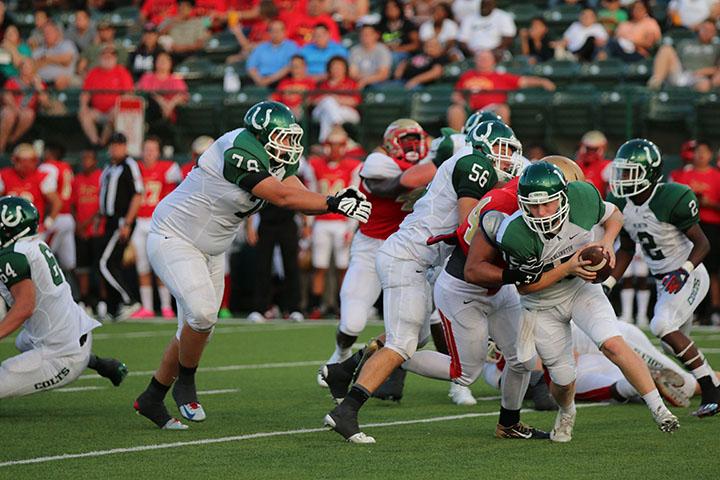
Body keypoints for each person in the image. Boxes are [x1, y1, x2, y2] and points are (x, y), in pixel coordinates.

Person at [133, 100, 371, 429]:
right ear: (261, 135)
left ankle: (152, 396)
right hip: (174, 236)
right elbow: (282, 197)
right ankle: (185, 382)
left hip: (212, 249)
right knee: (201, 316)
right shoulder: (237, 149)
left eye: (291, 138)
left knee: (197, 327)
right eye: (282, 137)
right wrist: (331, 202)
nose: (289, 145)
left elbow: (296, 192)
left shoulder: (273, 156)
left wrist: (337, 201)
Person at [323, 120, 520, 443]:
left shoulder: (470, 164)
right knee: (402, 343)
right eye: (503, 148)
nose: (508, 156)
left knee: (415, 340)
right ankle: (346, 411)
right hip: (408, 259)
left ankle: (344, 370)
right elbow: (470, 227)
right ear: (483, 145)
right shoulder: (473, 163)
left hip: (420, 261)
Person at [491, 160, 679, 441]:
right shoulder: (515, 233)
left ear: (565, 197)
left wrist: (607, 242)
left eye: (548, 204)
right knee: (564, 380)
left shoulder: (582, 198)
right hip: (541, 303)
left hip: (581, 288)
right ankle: (567, 411)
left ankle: (660, 410)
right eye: (533, 206)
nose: (540, 213)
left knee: (613, 343)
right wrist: (566, 267)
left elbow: (614, 215)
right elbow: (526, 289)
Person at [605, 138, 720, 418]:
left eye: (631, 172)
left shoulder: (671, 198)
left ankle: (711, 390)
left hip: (687, 273)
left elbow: (702, 243)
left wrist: (685, 270)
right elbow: (628, 249)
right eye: (622, 171)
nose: (623, 179)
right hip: (663, 281)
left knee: (661, 324)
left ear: (650, 173)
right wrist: (608, 283)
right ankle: (708, 380)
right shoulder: (623, 203)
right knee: (671, 344)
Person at [0, 196, 128, 400]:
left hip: (62, 357)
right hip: (75, 332)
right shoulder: (32, 244)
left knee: (7, 370)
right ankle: (96, 362)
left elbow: (25, 307)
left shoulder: (14, 256)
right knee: (24, 341)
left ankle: (83, 361)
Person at [305, 128, 361, 318]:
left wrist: (351, 227)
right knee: (319, 266)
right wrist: (308, 225)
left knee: (342, 267)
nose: (334, 149)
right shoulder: (315, 165)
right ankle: (316, 306)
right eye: (330, 144)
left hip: (341, 222)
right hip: (321, 221)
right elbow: (310, 193)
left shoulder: (352, 167)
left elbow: (355, 197)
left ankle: (341, 305)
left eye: (338, 145)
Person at [130, 137, 182, 319]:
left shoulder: (168, 168)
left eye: (153, 149)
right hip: (139, 221)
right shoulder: (134, 168)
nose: (149, 153)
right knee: (142, 266)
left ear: (159, 152)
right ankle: (147, 307)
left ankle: (166, 306)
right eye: (146, 149)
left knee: (161, 264)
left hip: (157, 222)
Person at [670, 140, 720, 326]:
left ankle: (713, 311)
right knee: (688, 267)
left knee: (712, 270)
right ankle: (691, 311)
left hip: (712, 226)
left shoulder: (716, 176)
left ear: (710, 155)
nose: (700, 156)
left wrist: (709, 203)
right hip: (688, 226)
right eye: (697, 152)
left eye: (704, 152)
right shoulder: (683, 175)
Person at [447, 50, 555, 131]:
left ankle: (501, 140)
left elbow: (523, 81)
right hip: (470, 110)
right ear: (475, 60)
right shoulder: (467, 76)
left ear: (493, 61)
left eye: (486, 59)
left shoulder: (501, 76)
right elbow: (456, 94)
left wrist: (543, 82)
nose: (483, 61)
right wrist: (461, 102)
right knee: (454, 110)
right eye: (480, 58)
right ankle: (458, 142)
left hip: (493, 109)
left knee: (503, 110)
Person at [98, 133, 144, 320]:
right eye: (112, 145)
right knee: (112, 264)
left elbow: (137, 194)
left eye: (118, 145)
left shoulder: (129, 166)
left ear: (125, 147)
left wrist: (127, 222)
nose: (114, 149)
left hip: (120, 221)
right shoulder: (109, 167)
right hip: (108, 220)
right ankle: (113, 306)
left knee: (104, 263)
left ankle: (129, 300)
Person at [71, 149, 107, 316]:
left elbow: (103, 204)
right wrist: (78, 225)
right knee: (82, 269)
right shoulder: (76, 179)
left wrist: (86, 224)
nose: (85, 161)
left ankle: (103, 301)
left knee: (100, 267)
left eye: (88, 158)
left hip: (97, 229)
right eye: (83, 158)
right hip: (81, 231)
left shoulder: (101, 177)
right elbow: (72, 204)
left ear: (95, 160)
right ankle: (84, 300)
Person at [78, 45, 134, 148]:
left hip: (114, 109)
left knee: (114, 113)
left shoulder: (121, 71)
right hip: (97, 111)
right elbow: (85, 93)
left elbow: (128, 94)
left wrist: (118, 105)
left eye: (111, 55)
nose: (107, 57)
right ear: (100, 57)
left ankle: (103, 143)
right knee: (83, 114)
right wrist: (83, 106)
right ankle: (95, 142)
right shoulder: (94, 72)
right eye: (105, 55)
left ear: (115, 58)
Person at [648, 20, 720, 91]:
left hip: (701, 77)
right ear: (699, 29)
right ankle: (655, 84)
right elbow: (673, 60)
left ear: (715, 33)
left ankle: (698, 102)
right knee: (666, 49)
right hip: (682, 73)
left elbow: (718, 69)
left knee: (704, 85)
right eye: (704, 29)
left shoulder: (716, 47)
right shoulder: (685, 43)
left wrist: (706, 71)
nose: (706, 32)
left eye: (710, 30)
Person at [0, 143, 60, 227]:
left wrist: (48, 223)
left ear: (36, 161)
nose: (26, 164)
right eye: (21, 160)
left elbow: (56, 202)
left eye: (30, 160)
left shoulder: (42, 177)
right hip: (9, 226)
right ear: (14, 160)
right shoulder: (4, 175)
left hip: (32, 227)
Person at [38, 143, 76, 274]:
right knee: (69, 263)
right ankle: (77, 292)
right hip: (68, 218)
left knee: (42, 258)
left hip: (55, 218)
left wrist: (48, 219)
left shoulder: (48, 167)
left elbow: (48, 193)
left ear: (50, 152)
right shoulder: (66, 167)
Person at [0, 58, 49, 153]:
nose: (26, 69)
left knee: (28, 114)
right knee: (9, 114)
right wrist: (16, 109)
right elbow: (7, 97)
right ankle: (1, 147)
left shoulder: (39, 83)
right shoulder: (13, 81)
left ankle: (10, 140)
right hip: (11, 109)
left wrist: (38, 86)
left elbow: (45, 102)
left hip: (27, 112)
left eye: (29, 67)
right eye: (24, 67)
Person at [311, 56, 360, 143]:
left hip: (347, 112)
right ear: (329, 69)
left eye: (340, 67)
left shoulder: (351, 83)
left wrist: (336, 99)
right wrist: (329, 99)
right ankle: (337, 126)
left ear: (345, 69)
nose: (337, 70)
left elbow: (355, 101)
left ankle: (324, 142)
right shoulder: (323, 83)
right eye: (334, 67)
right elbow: (314, 101)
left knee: (327, 113)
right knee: (328, 102)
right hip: (322, 111)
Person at [136, 51, 189, 128]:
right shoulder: (148, 76)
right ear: (155, 63)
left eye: (165, 60)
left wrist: (170, 105)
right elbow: (145, 92)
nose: (163, 63)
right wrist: (161, 102)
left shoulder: (176, 79)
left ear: (170, 63)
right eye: (160, 60)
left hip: (172, 114)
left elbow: (183, 95)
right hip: (151, 114)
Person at [246, 19, 299, 87]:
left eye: (278, 31)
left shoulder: (291, 46)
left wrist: (270, 79)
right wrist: (259, 80)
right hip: (260, 80)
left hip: (281, 80)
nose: (275, 34)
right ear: (268, 33)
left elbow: (289, 67)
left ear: (284, 32)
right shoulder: (261, 47)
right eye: (272, 31)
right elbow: (251, 67)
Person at [32, 22, 78, 90]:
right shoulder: (38, 50)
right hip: (41, 82)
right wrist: (57, 60)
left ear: (57, 32)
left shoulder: (66, 44)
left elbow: (66, 61)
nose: (47, 34)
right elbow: (33, 66)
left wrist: (47, 58)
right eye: (45, 32)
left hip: (62, 81)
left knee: (60, 81)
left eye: (50, 32)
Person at [270, 55, 316, 119]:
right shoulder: (284, 82)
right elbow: (274, 98)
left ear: (304, 67)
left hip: (301, 112)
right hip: (285, 110)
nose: (295, 68)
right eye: (293, 66)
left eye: (297, 66)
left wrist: (300, 106)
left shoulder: (310, 82)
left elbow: (311, 99)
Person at [348, 23, 392, 89]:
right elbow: (352, 73)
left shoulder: (382, 50)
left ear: (376, 35)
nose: (365, 37)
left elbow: (383, 74)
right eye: (362, 34)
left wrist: (365, 80)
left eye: (368, 34)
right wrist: (363, 79)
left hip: (378, 83)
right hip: (359, 81)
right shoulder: (355, 50)